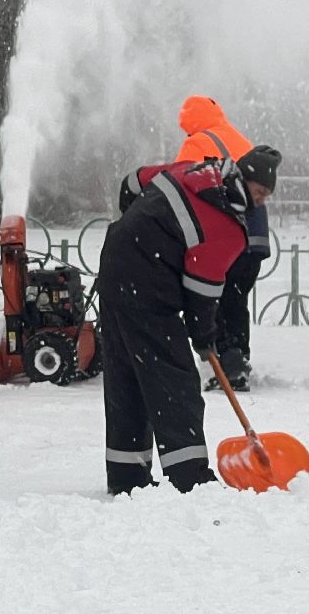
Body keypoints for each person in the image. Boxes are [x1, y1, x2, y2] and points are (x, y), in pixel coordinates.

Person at [96, 156, 271, 495]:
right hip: (147, 286)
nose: (261, 201)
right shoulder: (229, 228)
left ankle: (126, 476)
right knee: (174, 382)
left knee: (127, 376)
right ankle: (189, 480)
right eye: (260, 191)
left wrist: (138, 226)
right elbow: (202, 294)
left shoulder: (192, 170)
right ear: (244, 180)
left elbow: (132, 182)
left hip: (115, 265)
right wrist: (205, 338)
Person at [175, 95, 279, 392]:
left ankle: (225, 367)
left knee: (212, 299)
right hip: (254, 236)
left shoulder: (195, 144)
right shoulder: (238, 137)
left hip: (224, 234)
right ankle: (239, 359)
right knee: (236, 300)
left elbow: (183, 187)